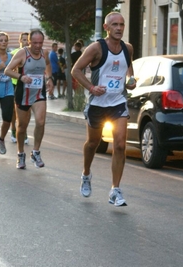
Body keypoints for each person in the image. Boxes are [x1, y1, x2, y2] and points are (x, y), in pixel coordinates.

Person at [71, 12, 136, 207]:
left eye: (122, 25)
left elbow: (128, 68)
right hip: (97, 104)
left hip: (117, 102)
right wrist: (91, 87)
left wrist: (131, 80)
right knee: (92, 143)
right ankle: (86, 174)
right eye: (114, 25)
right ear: (107, 28)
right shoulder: (96, 48)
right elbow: (75, 70)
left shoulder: (128, 48)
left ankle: (115, 190)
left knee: (120, 145)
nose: (119, 28)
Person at [4, 29, 54, 169]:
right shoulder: (22, 53)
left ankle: (36, 152)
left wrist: (49, 78)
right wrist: (21, 77)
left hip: (39, 93)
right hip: (23, 93)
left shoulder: (45, 53)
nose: (38, 46)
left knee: (41, 122)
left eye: (40, 43)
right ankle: (20, 154)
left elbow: (48, 64)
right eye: (35, 43)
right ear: (29, 41)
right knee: (21, 127)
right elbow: (7, 70)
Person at [10, 32, 30, 145]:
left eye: (27, 40)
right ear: (20, 41)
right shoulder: (14, 53)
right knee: (14, 110)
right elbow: (9, 69)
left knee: (27, 110)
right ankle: (13, 129)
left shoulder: (33, 53)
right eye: (23, 39)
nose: (26, 41)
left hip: (28, 85)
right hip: (15, 83)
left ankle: (23, 131)